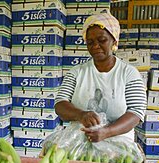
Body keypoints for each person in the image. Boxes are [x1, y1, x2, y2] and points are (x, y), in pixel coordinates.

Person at [54, 11, 147, 142]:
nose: (95, 46)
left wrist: (107, 132)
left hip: (119, 144)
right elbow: (60, 104)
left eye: (102, 40)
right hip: (80, 142)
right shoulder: (76, 72)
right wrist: (80, 115)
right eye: (90, 42)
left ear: (114, 41)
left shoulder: (128, 73)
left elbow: (136, 113)